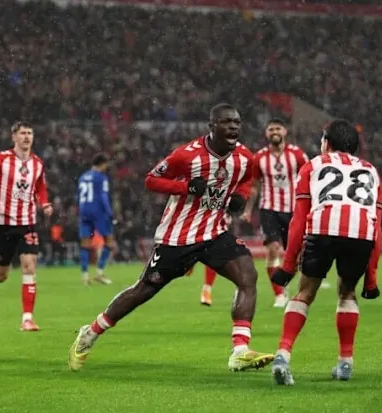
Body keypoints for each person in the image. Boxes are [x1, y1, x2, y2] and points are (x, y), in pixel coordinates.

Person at [68, 103, 273, 372]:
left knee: (248, 276)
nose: (233, 126)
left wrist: (241, 198)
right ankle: (91, 332)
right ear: (212, 127)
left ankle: (240, 350)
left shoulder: (245, 156)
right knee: (143, 291)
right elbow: (151, 180)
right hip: (177, 238)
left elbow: (246, 180)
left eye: (236, 122)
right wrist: (185, 186)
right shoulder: (187, 155)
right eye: (226, 122)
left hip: (213, 233)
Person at [269, 120, 382, 385]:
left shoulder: (313, 166)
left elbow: (298, 220)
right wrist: (372, 279)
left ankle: (283, 355)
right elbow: (377, 226)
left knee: (305, 292)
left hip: (323, 229)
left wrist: (288, 266)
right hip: (360, 234)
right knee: (347, 293)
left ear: (327, 143)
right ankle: (345, 362)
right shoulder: (371, 170)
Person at [0, 121, 53, 332]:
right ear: (14, 137)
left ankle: (27, 319)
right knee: (1, 276)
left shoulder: (38, 163)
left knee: (29, 266)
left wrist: (44, 203)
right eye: (23, 133)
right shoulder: (1, 159)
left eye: (30, 133)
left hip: (27, 224)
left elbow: (40, 188)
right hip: (3, 224)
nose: (27, 137)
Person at [241, 119, 316, 308]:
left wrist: (312, 206)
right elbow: (254, 187)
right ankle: (279, 294)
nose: (274, 131)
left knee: (297, 254)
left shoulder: (297, 155)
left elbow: (310, 180)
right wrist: (248, 209)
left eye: (278, 128)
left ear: (285, 131)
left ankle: (288, 282)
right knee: (273, 248)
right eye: (271, 129)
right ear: (266, 133)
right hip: (269, 209)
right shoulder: (259, 158)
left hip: (294, 210)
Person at [77, 154, 115, 285]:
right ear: (102, 164)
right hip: (98, 212)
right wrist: (109, 213)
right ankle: (99, 273)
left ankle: (85, 276)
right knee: (109, 242)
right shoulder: (101, 177)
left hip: (84, 211)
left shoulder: (83, 177)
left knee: (85, 244)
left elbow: (79, 196)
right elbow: (103, 196)